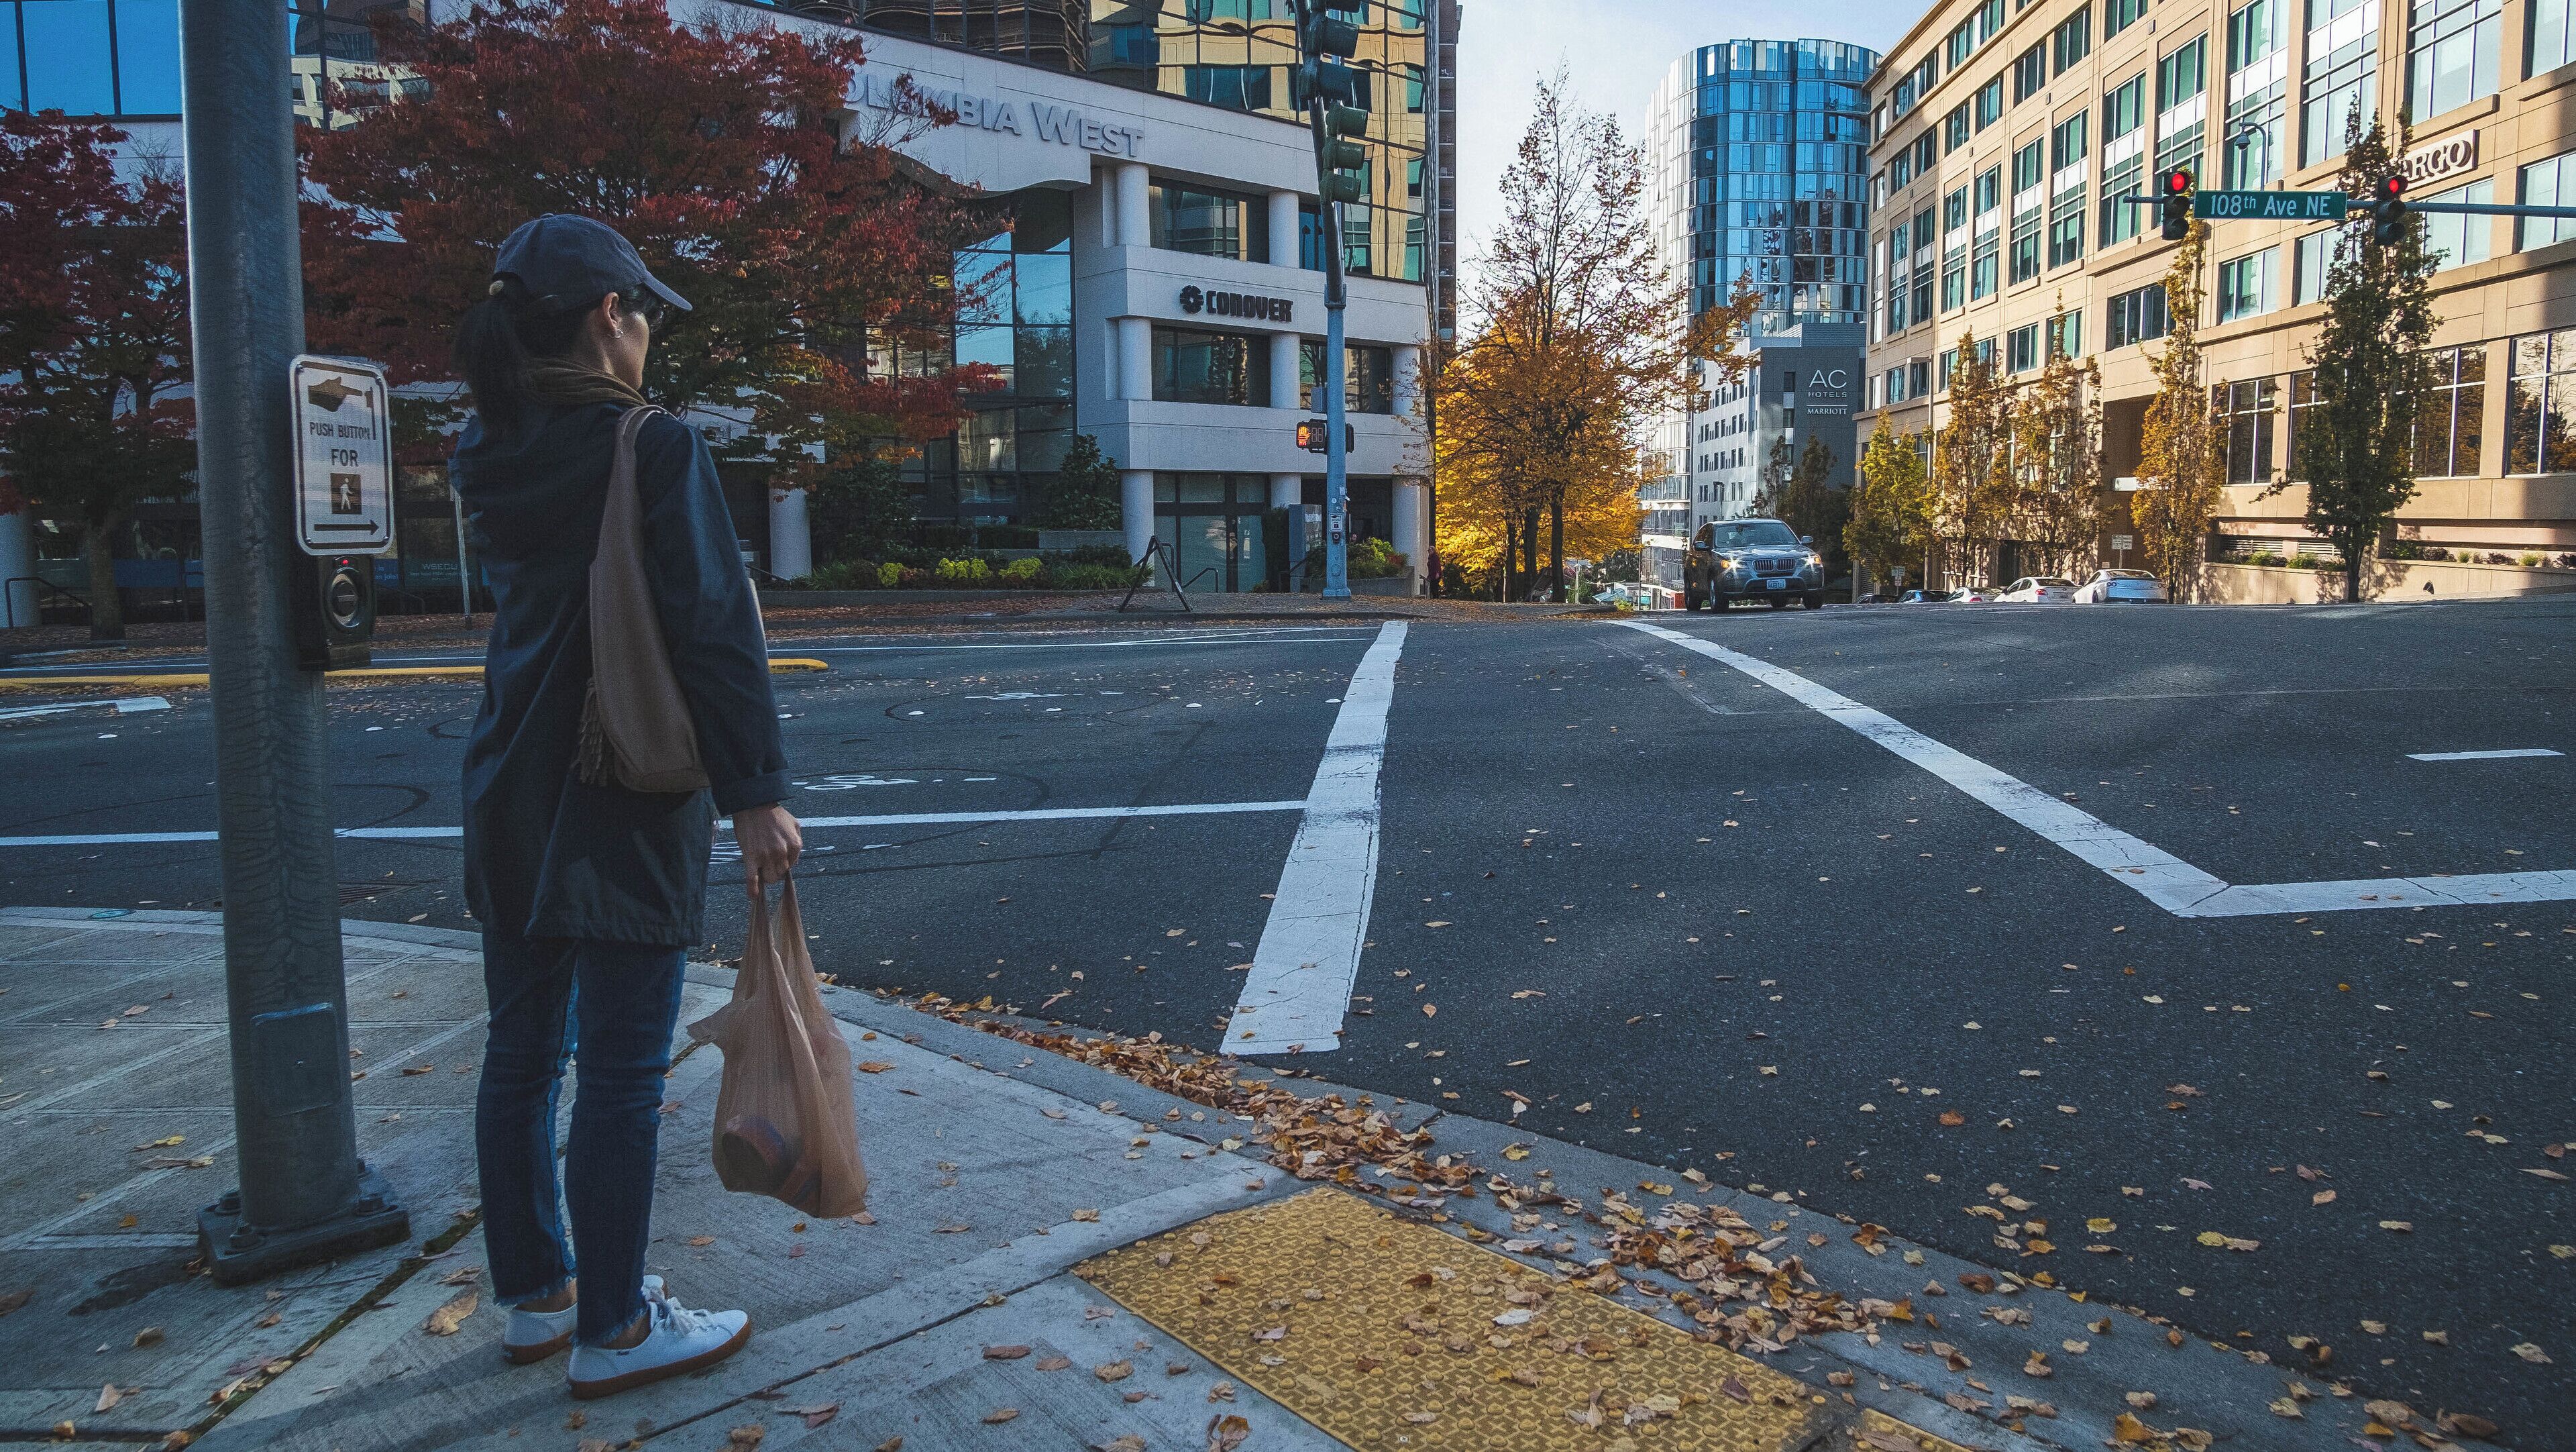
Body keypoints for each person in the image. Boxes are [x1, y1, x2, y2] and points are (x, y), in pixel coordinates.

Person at [449, 214, 803, 1399]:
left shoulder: (485, 449)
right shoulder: (650, 446)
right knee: (617, 1075)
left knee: (518, 1055)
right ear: (610, 315)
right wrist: (757, 794)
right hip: (622, 781)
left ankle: (536, 1298)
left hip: (509, 780)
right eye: (643, 310)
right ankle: (616, 1326)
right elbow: (712, 631)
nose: (650, 332)